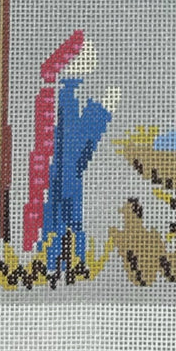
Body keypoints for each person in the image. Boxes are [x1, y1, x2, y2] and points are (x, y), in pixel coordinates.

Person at [38, 40, 120, 274]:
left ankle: (79, 94)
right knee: (68, 169)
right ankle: (86, 99)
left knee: (67, 166)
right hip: (64, 194)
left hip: (63, 192)